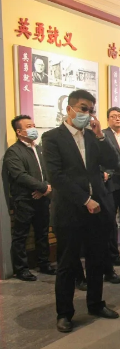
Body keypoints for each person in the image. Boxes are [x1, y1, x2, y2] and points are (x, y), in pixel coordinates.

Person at [42, 89, 120, 333]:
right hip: (70, 210)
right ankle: (64, 313)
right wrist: (85, 199)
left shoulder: (92, 136)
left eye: (91, 110)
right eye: (83, 109)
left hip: (98, 209)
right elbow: (56, 176)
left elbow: (113, 162)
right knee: (68, 264)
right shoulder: (52, 138)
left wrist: (100, 137)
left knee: (97, 260)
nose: (87, 114)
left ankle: (96, 303)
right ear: (70, 109)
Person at [3, 115, 55, 281]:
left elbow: (49, 171)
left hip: (42, 198)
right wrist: (42, 187)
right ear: (19, 132)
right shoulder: (13, 152)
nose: (33, 128)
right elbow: (20, 175)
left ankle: (44, 263)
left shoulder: (39, 149)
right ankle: (21, 269)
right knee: (21, 235)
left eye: (33, 125)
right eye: (28, 126)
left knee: (42, 232)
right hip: (25, 200)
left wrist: (45, 188)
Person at [102, 107, 120, 267]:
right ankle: (113, 255)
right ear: (108, 119)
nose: (117, 119)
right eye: (113, 116)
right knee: (111, 221)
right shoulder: (102, 135)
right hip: (110, 184)